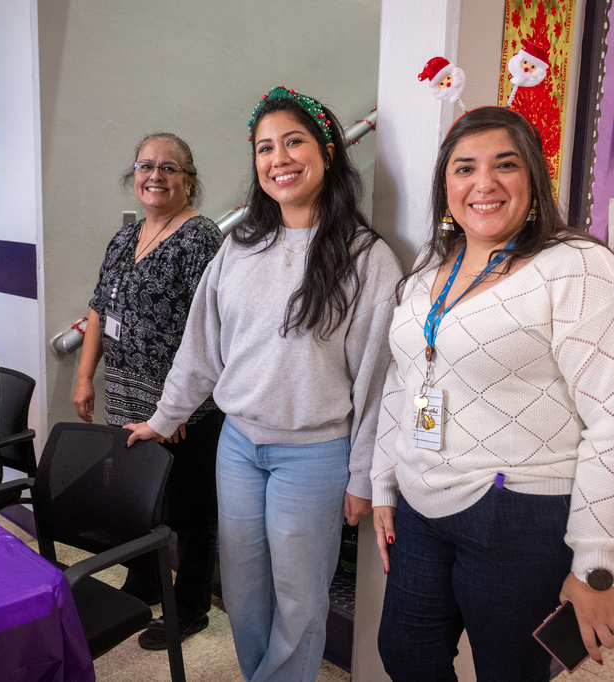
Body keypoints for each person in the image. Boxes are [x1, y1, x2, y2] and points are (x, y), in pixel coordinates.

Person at [125, 87, 402, 682]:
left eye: (294, 142)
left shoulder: (366, 257)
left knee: (299, 598)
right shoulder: (238, 247)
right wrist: (164, 419)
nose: (278, 158)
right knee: (246, 593)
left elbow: (378, 383)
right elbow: (201, 348)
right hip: (238, 447)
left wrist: (362, 477)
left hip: (315, 455)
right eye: (264, 147)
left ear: (328, 153)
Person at [371, 106, 614, 681]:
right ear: (444, 184)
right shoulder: (431, 267)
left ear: (534, 178)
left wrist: (597, 564)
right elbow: (404, 380)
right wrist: (383, 480)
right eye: (464, 168)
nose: (484, 184)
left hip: (518, 510)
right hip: (423, 505)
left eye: (506, 164)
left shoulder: (577, 267)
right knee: (406, 654)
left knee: (509, 673)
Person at [74, 132, 224, 649]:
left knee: (189, 511)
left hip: (183, 407)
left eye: (170, 167)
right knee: (133, 499)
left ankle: (191, 607)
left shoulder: (200, 238)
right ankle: (143, 579)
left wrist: (175, 405)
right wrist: (83, 374)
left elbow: (207, 331)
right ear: (132, 175)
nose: (156, 175)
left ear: (189, 181)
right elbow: (99, 307)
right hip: (124, 396)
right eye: (146, 165)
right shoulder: (124, 237)